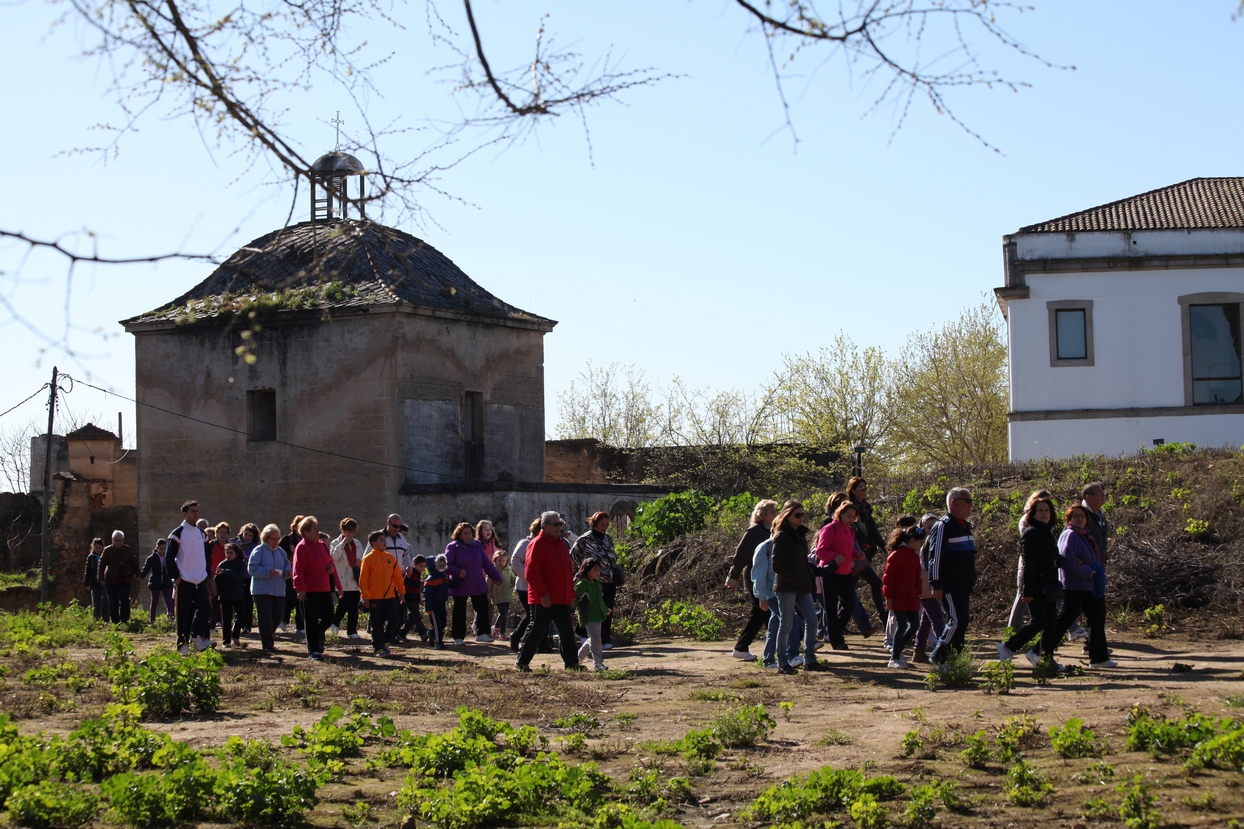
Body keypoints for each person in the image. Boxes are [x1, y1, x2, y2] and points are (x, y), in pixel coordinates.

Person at [997, 496, 1060, 666]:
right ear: (1032, 513)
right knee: (1038, 622)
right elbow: (1028, 564)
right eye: (1040, 510)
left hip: (1049, 586)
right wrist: (1027, 591)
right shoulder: (1031, 533)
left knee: (1051, 623)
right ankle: (1008, 647)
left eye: (1047, 510)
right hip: (1037, 586)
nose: (1044, 513)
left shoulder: (1047, 533)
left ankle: (1044, 658)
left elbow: (1052, 558)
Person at [516, 511, 581, 672]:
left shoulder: (561, 544)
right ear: (544, 527)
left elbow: (567, 572)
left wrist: (571, 595)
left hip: (562, 597)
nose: (559, 527)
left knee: (567, 632)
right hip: (544, 598)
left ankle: (572, 664)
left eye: (561, 524)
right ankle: (522, 662)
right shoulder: (537, 544)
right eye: (556, 524)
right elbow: (531, 573)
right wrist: (542, 594)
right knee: (538, 630)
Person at [1052, 505, 1116, 669]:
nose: (1079, 519)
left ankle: (1099, 657)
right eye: (1075, 516)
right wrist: (1087, 570)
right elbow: (1066, 559)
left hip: (1086, 584)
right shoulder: (1070, 535)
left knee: (1096, 617)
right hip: (1075, 584)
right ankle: (1040, 650)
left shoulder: (1083, 535)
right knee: (1066, 619)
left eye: (1082, 516)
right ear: (1069, 519)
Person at [770, 500, 825, 674]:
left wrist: (806, 579)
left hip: (802, 586)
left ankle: (810, 658)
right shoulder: (782, 536)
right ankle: (783, 662)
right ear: (787, 516)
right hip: (786, 587)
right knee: (786, 624)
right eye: (797, 515)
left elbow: (803, 562)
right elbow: (776, 564)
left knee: (811, 619)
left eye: (802, 514)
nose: (801, 518)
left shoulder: (800, 534)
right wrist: (794, 580)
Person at [926, 487, 976, 664]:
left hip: (963, 585)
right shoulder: (943, 526)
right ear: (954, 503)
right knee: (957, 619)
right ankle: (938, 655)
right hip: (950, 584)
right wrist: (936, 584)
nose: (971, 505)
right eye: (967, 501)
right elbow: (935, 556)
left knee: (962, 622)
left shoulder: (964, 527)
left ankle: (954, 659)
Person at [726, 499, 779, 662]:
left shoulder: (771, 530)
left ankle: (742, 647)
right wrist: (732, 576)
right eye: (772, 512)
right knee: (764, 611)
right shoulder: (755, 531)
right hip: (754, 578)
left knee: (760, 614)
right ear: (763, 515)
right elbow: (741, 554)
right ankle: (783, 648)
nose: (776, 514)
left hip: (767, 578)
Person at [291, 515, 343, 660]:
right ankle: (313, 650)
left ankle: (315, 636)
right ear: (306, 532)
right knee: (311, 620)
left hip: (324, 588)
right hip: (309, 590)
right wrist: (300, 589)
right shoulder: (301, 547)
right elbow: (298, 570)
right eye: (314, 528)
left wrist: (338, 585)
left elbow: (331, 565)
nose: (317, 531)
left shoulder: (322, 545)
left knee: (328, 617)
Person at [168, 500, 215, 654]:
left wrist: (208, 576)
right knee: (183, 613)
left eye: (197, 511)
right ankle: (182, 644)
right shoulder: (177, 534)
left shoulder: (202, 534)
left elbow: (206, 557)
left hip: (200, 579)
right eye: (192, 511)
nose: (195, 514)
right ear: (185, 514)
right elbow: (169, 557)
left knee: (205, 608)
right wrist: (176, 577)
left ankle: (196, 636)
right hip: (185, 579)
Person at [570, 511, 622, 649]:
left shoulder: (608, 539)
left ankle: (604, 639)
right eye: (601, 524)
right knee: (591, 608)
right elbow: (573, 558)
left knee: (606, 609)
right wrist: (579, 575)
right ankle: (583, 633)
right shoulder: (584, 540)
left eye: (606, 524)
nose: (604, 527)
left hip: (609, 579)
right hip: (591, 580)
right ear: (594, 524)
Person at [445, 522, 502, 644]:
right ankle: (458, 637)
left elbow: (486, 563)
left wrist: (496, 576)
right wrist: (458, 572)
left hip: (477, 582)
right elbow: (446, 565)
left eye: (469, 532)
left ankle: (482, 633)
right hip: (461, 583)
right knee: (459, 610)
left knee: (482, 608)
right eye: (464, 533)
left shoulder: (477, 545)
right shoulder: (453, 547)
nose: (468, 535)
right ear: (459, 535)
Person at [814, 500, 861, 651]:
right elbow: (820, 551)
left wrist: (856, 554)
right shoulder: (829, 529)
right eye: (849, 516)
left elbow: (847, 549)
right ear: (840, 513)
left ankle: (833, 631)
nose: (851, 519)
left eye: (854, 517)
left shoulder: (849, 530)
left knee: (849, 604)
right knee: (831, 607)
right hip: (830, 572)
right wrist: (834, 557)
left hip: (846, 572)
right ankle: (836, 640)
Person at [1007, 490, 1053, 631]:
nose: (1046, 510)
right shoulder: (1027, 521)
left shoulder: (1047, 522)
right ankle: (1012, 631)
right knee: (1023, 594)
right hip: (1029, 563)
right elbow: (1030, 545)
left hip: (1042, 567)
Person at [847, 477, 887, 635]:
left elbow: (873, 531)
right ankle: (884, 620)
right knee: (876, 583)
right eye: (861, 488)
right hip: (856, 554)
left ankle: (832, 626)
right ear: (853, 490)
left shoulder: (865, 508)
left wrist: (885, 548)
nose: (865, 491)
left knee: (848, 591)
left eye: (865, 488)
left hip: (866, 553)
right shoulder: (848, 509)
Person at [882, 525, 925, 669]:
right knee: (901, 625)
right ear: (912, 540)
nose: (920, 546)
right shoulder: (896, 555)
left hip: (911, 597)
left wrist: (918, 592)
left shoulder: (914, 556)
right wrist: (888, 597)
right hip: (898, 597)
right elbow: (888, 579)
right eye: (919, 543)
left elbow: (917, 577)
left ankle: (897, 649)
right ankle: (894, 657)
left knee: (915, 624)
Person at [359, 529, 405, 656]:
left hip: (390, 596)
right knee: (377, 623)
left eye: (384, 539)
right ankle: (378, 647)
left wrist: (401, 592)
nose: (384, 542)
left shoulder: (390, 558)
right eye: (381, 540)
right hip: (375, 598)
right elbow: (363, 580)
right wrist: (364, 597)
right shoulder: (368, 559)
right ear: (373, 543)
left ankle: (385, 641)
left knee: (395, 619)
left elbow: (397, 578)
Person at [248, 524, 290, 653]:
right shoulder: (259, 550)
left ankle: (269, 635)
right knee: (265, 617)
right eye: (273, 538)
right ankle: (267, 644)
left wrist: (288, 572)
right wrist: (267, 572)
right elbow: (252, 568)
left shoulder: (281, 552)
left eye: (278, 538)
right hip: (262, 590)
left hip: (278, 589)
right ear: (266, 538)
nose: (276, 541)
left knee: (278, 615)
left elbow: (287, 565)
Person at [911, 513, 945, 664]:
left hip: (930, 585)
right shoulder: (923, 545)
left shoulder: (937, 542)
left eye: (935, 526)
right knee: (937, 618)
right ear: (923, 528)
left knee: (926, 619)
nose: (932, 529)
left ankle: (918, 651)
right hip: (926, 586)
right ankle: (944, 649)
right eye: (929, 527)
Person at [508, 519, 542, 652]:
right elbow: (515, 561)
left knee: (538, 616)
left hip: (539, 587)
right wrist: (529, 578)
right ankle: (517, 636)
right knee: (532, 615)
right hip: (524, 587)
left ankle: (539, 643)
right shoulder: (525, 543)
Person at [329, 518, 363, 639]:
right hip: (342, 578)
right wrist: (342, 544)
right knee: (344, 603)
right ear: (343, 530)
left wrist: (360, 561)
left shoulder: (357, 543)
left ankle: (352, 631)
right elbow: (333, 557)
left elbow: (361, 557)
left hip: (354, 577)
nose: (350, 534)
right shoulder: (335, 542)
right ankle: (335, 622)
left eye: (352, 532)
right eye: (348, 531)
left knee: (353, 606)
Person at [574, 557, 610, 671]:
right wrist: (573, 611)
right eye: (595, 570)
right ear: (587, 570)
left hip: (598, 615)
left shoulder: (597, 584)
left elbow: (600, 600)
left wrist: (605, 610)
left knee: (593, 639)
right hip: (589, 616)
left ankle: (577, 658)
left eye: (599, 570)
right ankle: (598, 664)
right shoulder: (582, 584)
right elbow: (575, 599)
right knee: (596, 640)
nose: (598, 573)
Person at [750, 530, 779, 669]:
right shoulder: (765, 547)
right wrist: (762, 597)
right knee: (790, 621)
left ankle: (768, 659)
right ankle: (788, 656)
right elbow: (759, 575)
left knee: (775, 625)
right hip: (770, 594)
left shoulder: (787, 545)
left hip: (783, 593)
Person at [384, 513, 414, 640]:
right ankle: (383, 636)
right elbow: (367, 558)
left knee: (399, 608)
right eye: (395, 526)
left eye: (399, 526)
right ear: (388, 523)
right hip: (384, 579)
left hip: (399, 579)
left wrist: (408, 566)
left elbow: (406, 555)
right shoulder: (379, 537)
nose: (397, 529)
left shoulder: (402, 538)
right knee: (387, 610)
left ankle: (394, 635)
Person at [215, 543, 250, 647]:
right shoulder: (222, 564)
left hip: (238, 595)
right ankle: (226, 641)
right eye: (227, 553)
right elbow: (217, 579)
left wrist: (225, 572)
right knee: (226, 618)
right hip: (225, 596)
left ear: (236, 554)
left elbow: (239, 577)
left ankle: (235, 634)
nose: (228, 555)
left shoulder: (240, 564)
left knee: (241, 615)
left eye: (231, 553)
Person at [100, 530, 139, 624]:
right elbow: (101, 564)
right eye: (116, 540)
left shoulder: (127, 549)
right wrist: (100, 578)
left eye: (120, 540)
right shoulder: (107, 550)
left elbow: (134, 562)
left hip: (125, 579)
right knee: (113, 601)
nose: (118, 542)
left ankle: (124, 619)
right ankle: (115, 621)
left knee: (125, 599)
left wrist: (138, 574)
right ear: (112, 540)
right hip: (111, 579)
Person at [228, 524, 261, 632]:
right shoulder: (234, 543)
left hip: (247, 576)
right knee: (235, 600)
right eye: (245, 534)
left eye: (250, 536)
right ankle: (236, 623)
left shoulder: (255, 547)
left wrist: (244, 557)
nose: (247, 537)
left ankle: (247, 624)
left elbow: (255, 560)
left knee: (247, 600)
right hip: (235, 575)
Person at [279, 516, 305, 637]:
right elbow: (280, 554)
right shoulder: (287, 539)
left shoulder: (306, 540)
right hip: (290, 573)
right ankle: (284, 619)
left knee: (301, 599)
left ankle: (300, 626)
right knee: (290, 599)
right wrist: (290, 552)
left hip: (303, 573)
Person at [422, 554, 456, 649]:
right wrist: (428, 608)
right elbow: (427, 595)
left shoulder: (444, 577)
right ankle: (438, 642)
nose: (442, 567)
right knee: (437, 624)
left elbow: (451, 584)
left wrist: (460, 579)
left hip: (442, 604)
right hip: (433, 606)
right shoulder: (430, 580)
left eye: (443, 565)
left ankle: (430, 633)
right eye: (439, 565)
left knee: (443, 623)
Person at [140, 538, 176, 622]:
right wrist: (140, 576)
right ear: (157, 548)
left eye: (164, 548)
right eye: (161, 548)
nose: (163, 550)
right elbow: (146, 569)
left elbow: (173, 568)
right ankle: (152, 620)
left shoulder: (169, 558)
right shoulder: (151, 558)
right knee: (154, 602)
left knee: (169, 601)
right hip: (155, 582)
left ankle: (171, 619)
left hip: (166, 582)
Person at [490, 550, 517, 639]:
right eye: (499, 560)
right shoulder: (492, 571)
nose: (501, 563)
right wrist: (488, 596)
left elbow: (513, 580)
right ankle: (496, 628)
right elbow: (488, 584)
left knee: (505, 615)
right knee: (503, 613)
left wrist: (518, 583)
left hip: (507, 595)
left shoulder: (509, 570)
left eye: (503, 561)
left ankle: (503, 633)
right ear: (495, 560)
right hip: (498, 596)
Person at [404, 555, 430, 642]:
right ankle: (423, 633)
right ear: (415, 565)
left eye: (424, 566)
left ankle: (401, 633)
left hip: (414, 598)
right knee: (417, 616)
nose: (422, 568)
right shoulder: (411, 573)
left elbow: (417, 590)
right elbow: (405, 584)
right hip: (409, 598)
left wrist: (419, 599)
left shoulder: (417, 574)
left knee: (412, 617)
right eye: (421, 566)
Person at [83, 538, 107, 621]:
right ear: (93, 548)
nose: (98, 550)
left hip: (104, 581)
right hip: (95, 582)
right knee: (96, 601)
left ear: (102, 547)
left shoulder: (105, 556)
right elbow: (88, 570)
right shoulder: (91, 557)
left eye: (99, 548)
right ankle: (96, 617)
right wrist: (86, 583)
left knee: (105, 600)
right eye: (96, 548)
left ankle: (105, 617)